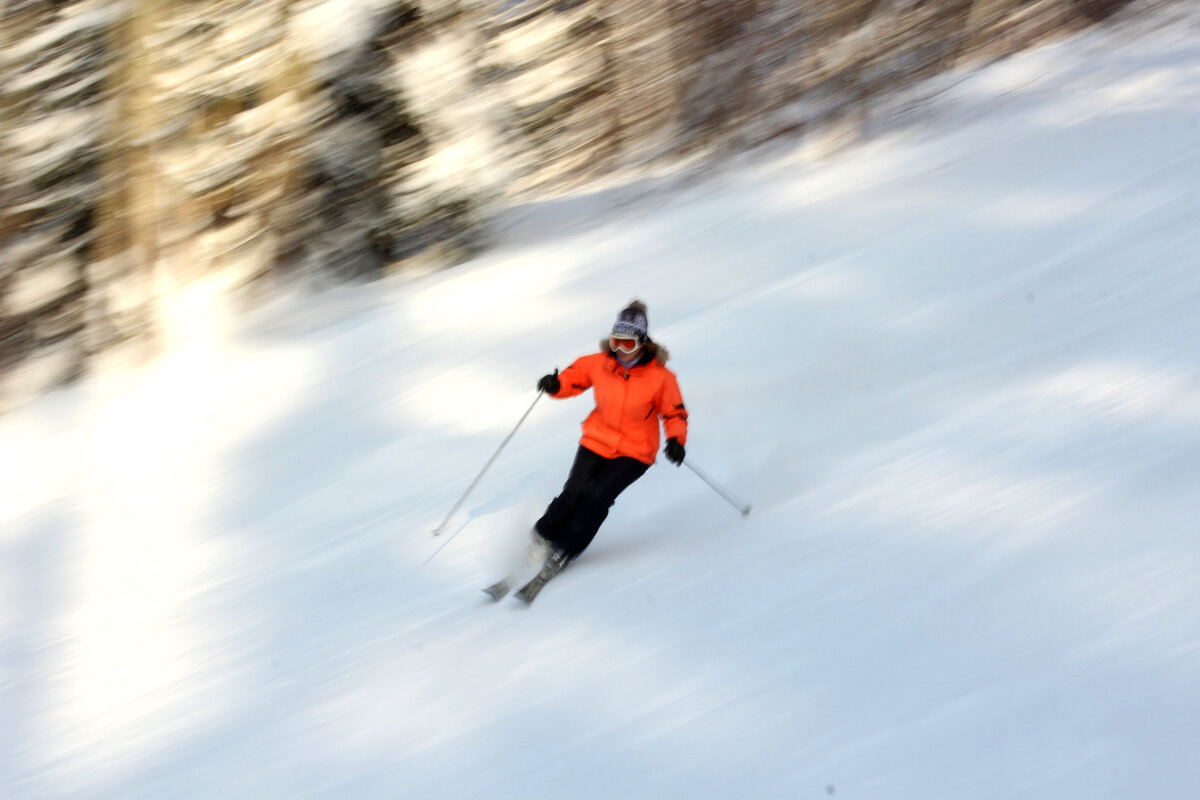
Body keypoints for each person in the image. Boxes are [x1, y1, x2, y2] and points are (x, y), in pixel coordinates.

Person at [529, 300, 688, 575]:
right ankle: (541, 538)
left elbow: (674, 413)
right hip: (596, 440)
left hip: (636, 451)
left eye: (628, 344)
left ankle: (566, 548)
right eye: (616, 342)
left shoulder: (661, 378)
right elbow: (572, 378)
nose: (620, 351)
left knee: (595, 496)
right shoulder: (599, 363)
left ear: (642, 342)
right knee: (573, 492)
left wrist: (676, 440)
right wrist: (556, 385)